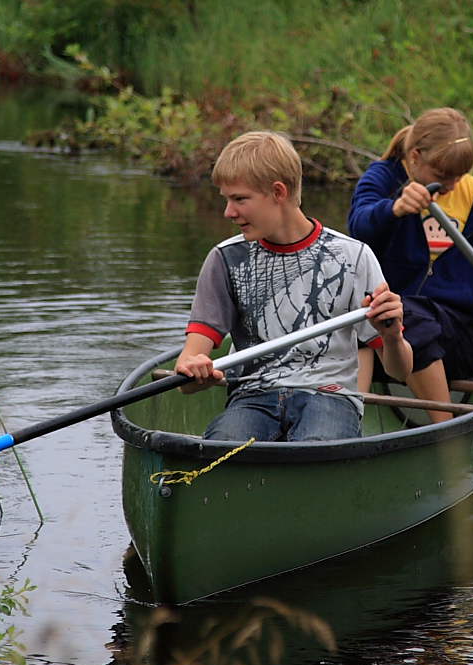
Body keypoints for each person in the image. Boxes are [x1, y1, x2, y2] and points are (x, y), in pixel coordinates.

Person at [175, 131, 414, 442]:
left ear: (278, 192)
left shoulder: (354, 256)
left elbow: (400, 372)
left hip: (329, 397)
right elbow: (186, 376)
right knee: (221, 447)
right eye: (227, 199)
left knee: (316, 449)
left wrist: (391, 335)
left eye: (240, 199)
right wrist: (195, 372)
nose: (228, 212)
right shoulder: (225, 259)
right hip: (252, 398)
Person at [348, 107, 473, 422]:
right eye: (441, 176)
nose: (451, 185)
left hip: (460, 335)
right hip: (385, 329)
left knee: (401, 315)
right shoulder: (383, 178)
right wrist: (393, 209)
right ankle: (348, 419)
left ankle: (446, 433)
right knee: (359, 314)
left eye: (458, 176)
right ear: (414, 157)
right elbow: (358, 227)